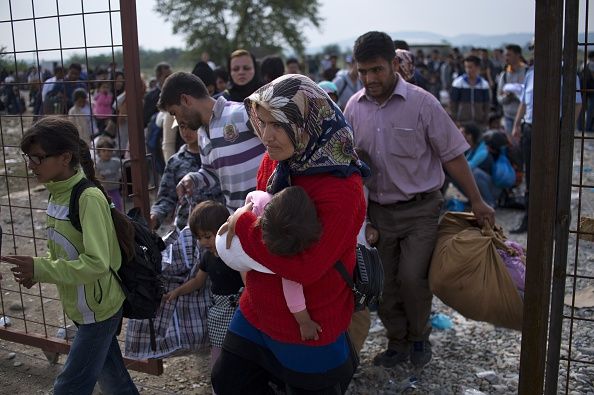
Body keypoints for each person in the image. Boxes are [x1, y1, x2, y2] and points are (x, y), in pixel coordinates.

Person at [344, 31, 494, 369]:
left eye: (377, 70)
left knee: (413, 278)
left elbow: (453, 156)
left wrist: (477, 200)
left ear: (395, 64)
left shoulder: (422, 102)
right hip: (378, 213)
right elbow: (350, 162)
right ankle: (397, 341)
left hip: (421, 210)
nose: (370, 79)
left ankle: (419, 337)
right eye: (363, 71)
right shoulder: (353, 107)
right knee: (382, 283)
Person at [211, 74, 367, 394]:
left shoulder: (342, 188)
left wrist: (240, 225)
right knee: (228, 381)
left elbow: (305, 267)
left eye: (278, 124)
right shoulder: (276, 161)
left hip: (310, 323)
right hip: (257, 307)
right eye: (262, 122)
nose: (266, 136)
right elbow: (262, 217)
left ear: (307, 122)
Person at [1, 117, 139, 395]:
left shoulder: (87, 198)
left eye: (38, 158)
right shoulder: (56, 194)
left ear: (65, 157)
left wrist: (40, 269)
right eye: (28, 158)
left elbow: (97, 263)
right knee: (114, 381)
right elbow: (58, 251)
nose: (31, 166)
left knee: (69, 387)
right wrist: (36, 274)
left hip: (99, 311)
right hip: (82, 308)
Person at [217, 186, 324, 342]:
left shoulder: (264, 201)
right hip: (237, 254)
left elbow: (252, 196)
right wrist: (304, 322)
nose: (268, 247)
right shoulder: (265, 203)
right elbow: (293, 295)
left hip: (230, 245)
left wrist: (241, 214)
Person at [158, 72, 265, 212]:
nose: (177, 121)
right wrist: (194, 179)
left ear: (185, 100)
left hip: (266, 216)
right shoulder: (202, 133)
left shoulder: (240, 113)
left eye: (174, 113)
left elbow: (279, 145)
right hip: (237, 219)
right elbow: (211, 172)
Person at [163, 200, 244, 375]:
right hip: (217, 310)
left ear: (223, 229)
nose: (203, 242)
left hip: (238, 309)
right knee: (217, 353)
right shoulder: (208, 257)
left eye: (207, 236)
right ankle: (219, 381)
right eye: (199, 238)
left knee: (238, 350)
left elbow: (248, 282)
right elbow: (198, 281)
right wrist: (177, 292)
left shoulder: (234, 253)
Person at [150, 120, 222, 230]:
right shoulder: (175, 162)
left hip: (218, 225)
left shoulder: (217, 156)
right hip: (186, 227)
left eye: (191, 127)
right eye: (182, 127)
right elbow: (166, 198)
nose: (186, 132)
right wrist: (155, 216)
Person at [460, 123, 500, 208]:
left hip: (493, 188)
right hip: (486, 184)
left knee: (474, 173)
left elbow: (469, 166)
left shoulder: (483, 150)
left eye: (462, 133)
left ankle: (490, 202)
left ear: (470, 136)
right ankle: (473, 200)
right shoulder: (471, 149)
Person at [450, 55, 491, 127]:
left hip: (479, 122)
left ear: (478, 68)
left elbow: (486, 104)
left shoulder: (484, 84)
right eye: (466, 67)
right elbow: (453, 104)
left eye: (470, 67)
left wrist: (485, 119)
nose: (468, 70)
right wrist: (454, 120)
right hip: (462, 122)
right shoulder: (458, 83)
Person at [496, 44, 528, 134]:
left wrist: (518, 95)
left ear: (518, 55)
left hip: (525, 119)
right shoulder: (504, 75)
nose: (506, 57)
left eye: (509, 55)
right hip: (508, 117)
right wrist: (507, 97)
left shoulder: (527, 73)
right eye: (505, 55)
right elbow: (499, 98)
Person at [94, 137, 123, 212]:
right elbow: (95, 175)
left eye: (109, 151)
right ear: (99, 152)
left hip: (115, 190)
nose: (107, 153)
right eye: (104, 151)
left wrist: (120, 174)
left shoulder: (116, 162)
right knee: (105, 209)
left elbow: (125, 165)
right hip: (103, 192)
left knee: (118, 207)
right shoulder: (97, 165)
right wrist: (98, 176)